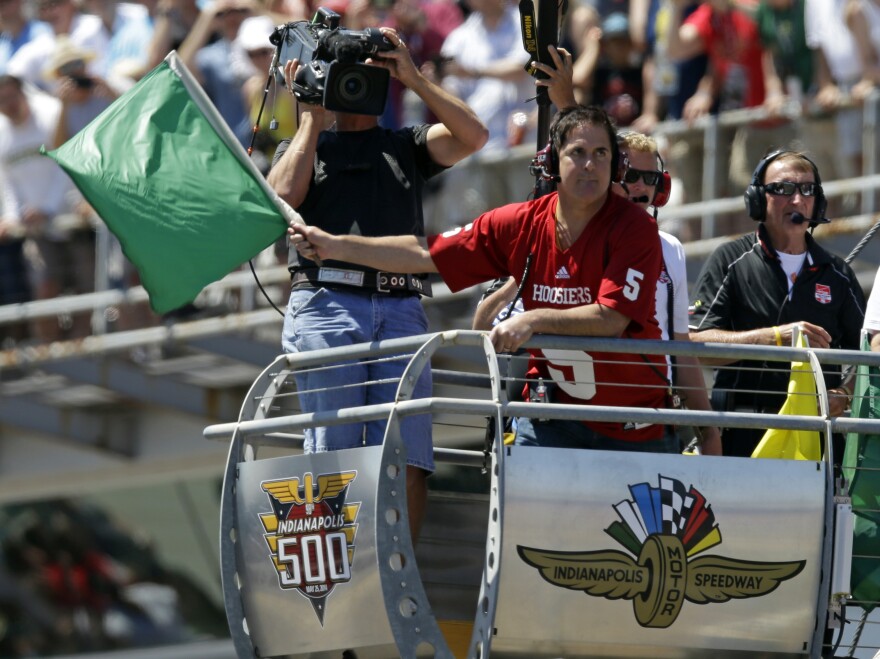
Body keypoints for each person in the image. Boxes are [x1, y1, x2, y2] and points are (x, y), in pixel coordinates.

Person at [289, 103, 678, 455]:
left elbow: (611, 318)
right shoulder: (520, 222)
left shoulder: (635, 230)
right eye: (577, 152)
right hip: (552, 422)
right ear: (552, 162)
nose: (590, 164)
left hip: (634, 427)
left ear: (616, 167)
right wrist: (335, 245)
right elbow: (426, 254)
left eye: (601, 154)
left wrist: (532, 318)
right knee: (524, 534)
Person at [267, 26, 488, 543]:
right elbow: (281, 199)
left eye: (368, 79)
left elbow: (474, 136)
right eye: (347, 79)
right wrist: (310, 120)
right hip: (326, 303)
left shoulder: (405, 145)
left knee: (408, 456)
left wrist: (413, 78)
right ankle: (340, 575)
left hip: (401, 305)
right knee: (333, 453)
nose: (357, 90)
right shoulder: (302, 146)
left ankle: (395, 570)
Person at [689, 150, 865, 458]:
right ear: (758, 199)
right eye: (783, 189)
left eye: (807, 189)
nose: (797, 200)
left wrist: (845, 394)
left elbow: (866, 351)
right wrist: (772, 338)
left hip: (816, 437)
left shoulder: (839, 273)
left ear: (818, 201)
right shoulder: (730, 259)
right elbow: (695, 343)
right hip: (741, 432)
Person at [614, 130, 722, 455]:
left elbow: (681, 347)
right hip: (589, 420)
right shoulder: (576, 239)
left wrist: (708, 429)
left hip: (656, 421)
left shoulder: (670, 248)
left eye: (650, 178)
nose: (641, 186)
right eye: (630, 176)